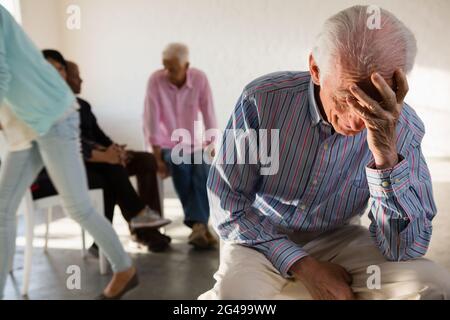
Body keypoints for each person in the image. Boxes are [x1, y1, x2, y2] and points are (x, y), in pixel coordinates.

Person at [199, 5, 450, 300]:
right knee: (235, 298)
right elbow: (228, 204)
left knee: (432, 284)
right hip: (260, 237)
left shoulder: (402, 125)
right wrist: (307, 267)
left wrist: (385, 157)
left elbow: (404, 249)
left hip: (338, 237)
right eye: (347, 98)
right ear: (316, 70)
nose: (358, 121)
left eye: (375, 101)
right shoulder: (263, 101)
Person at [0, 5, 136, 299]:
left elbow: (1, 73)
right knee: (3, 209)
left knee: (77, 206)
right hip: (25, 125)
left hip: (52, 115)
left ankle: (124, 268)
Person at [33, 52, 172, 253]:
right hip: (76, 163)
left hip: (98, 157)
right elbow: (71, 143)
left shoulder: (83, 106)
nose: (80, 79)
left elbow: (100, 136)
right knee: (111, 170)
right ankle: (119, 232)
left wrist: (116, 149)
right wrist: (106, 155)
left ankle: (146, 229)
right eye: (76, 75)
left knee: (146, 160)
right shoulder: (46, 106)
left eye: (61, 70)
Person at [143, 43, 218, 249]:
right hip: (167, 144)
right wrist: (156, 154)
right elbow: (151, 118)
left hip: (194, 143)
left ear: (187, 65)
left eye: (173, 68)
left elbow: (209, 113)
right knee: (180, 163)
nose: (167, 72)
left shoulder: (200, 79)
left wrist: (211, 145)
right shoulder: (156, 80)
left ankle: (198, 225)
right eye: (164, 66)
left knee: (203, 166)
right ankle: (200, 225)